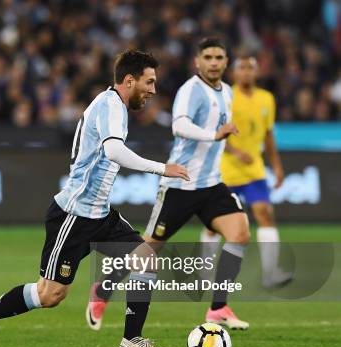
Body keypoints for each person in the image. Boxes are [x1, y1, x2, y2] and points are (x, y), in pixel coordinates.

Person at [0, 50, 189, 347]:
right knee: (50, 295)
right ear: (128, 80)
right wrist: (162, 168)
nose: (153, 90)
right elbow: (114, 151)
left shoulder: (116, 106)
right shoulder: (110, 104)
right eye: (149, 82)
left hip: (100, 215)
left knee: (146, 259)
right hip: (74, 216)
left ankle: (132, 341)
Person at [86, 38, 250, 331]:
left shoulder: (227, 91)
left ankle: (218, 307)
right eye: (208, 57)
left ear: (226, 62)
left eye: (219, 57)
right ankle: (104, 287)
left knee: (239, 231)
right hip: (181, 185)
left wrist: (227, 145)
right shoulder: (191, 90)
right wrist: (214, 135)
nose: (214, 62)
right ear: (197, 62)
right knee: (148, 250)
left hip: (211, 185)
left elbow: (219, 137)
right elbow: (180, 126)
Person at [200, 55, 291, 288]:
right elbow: (214, 131)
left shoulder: (266, 99)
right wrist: (236, 151)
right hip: (225, 172)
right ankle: (204, 275)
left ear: (257, 73)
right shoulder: (226, 96)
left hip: (254, 172)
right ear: (234, 73)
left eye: (251, 68)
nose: (247, 72)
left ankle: (271, 274)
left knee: (265, 213)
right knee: (214, 226)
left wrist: (277, 165)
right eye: (242, 68)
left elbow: (268, 135)